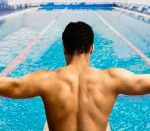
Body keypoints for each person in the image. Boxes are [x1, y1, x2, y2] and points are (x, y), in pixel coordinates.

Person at [0, 21, 150, 131]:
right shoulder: (111, 78)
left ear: (64, 49)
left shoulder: (46, 80)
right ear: (91, 48)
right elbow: (141, 82)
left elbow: (13, 86)